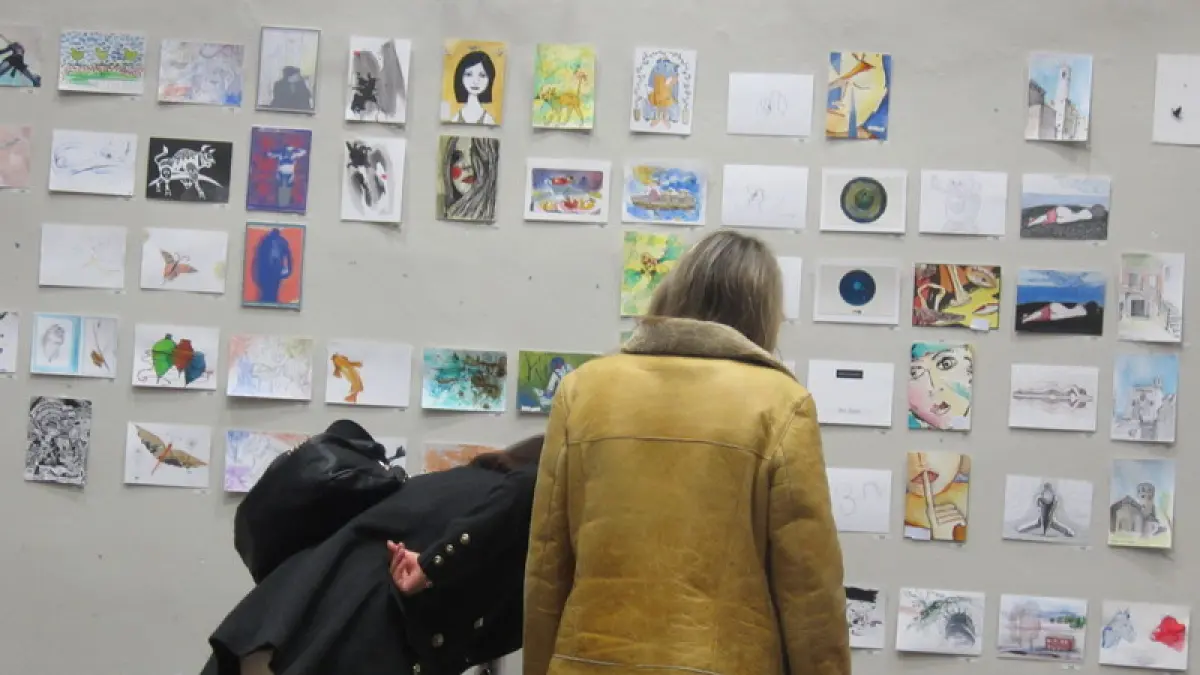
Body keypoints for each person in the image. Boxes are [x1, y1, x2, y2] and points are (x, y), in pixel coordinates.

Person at [523, 230, 850, 675]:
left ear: (676, 290)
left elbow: (547, 564)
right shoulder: (781, 403)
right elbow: (811, 590)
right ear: (763, 311)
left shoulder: (584, 389)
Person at [202, 434, 544, 675]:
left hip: (278, 629)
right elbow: (529, 487)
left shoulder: (465, 487)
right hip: (328, 644)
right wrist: (434, 567)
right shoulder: (522, 496)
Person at [450, 51, 497, 125]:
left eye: (482, 75)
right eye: (469, 74)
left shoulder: (488, 120)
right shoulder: (455, 118)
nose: (475, 81)